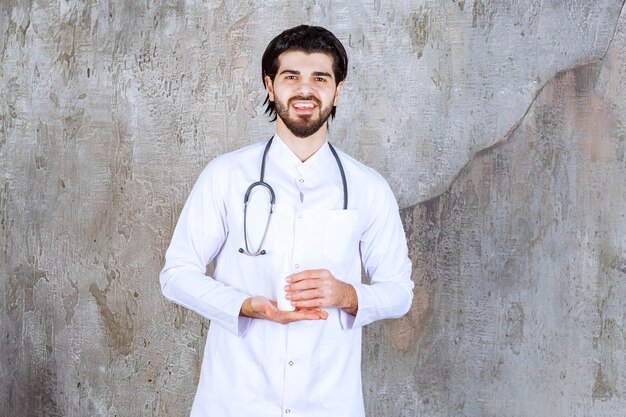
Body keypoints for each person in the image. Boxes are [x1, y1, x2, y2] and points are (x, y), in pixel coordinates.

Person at [160, 25, 414, 417]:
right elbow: (176, 274)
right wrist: (245, 305)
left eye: (320, 78)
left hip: (328, 402)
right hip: (236, 398)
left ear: (338, 89)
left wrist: (347, 294)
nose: (305, 90)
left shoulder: (368, 188)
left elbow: (399, 291)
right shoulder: (226, 175)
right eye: (291, 76)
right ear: (270, 85)